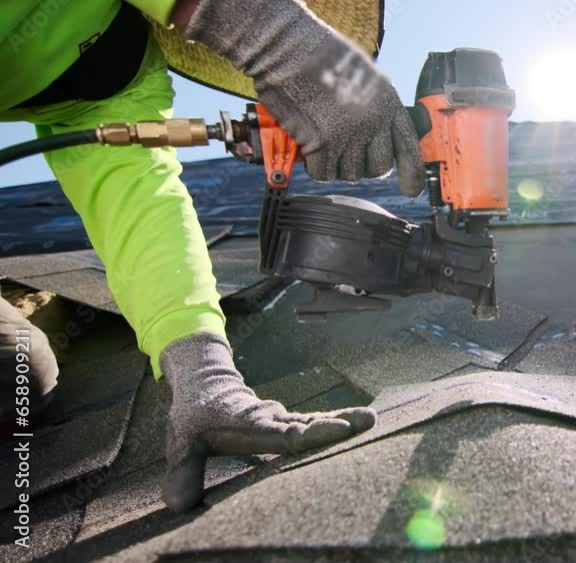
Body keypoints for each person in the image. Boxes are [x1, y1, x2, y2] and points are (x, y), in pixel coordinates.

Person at [0, 0, 424, 512]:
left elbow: (140, 198)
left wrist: (203, 375)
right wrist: (279, 38)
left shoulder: (120, 68)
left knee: (18, 372)